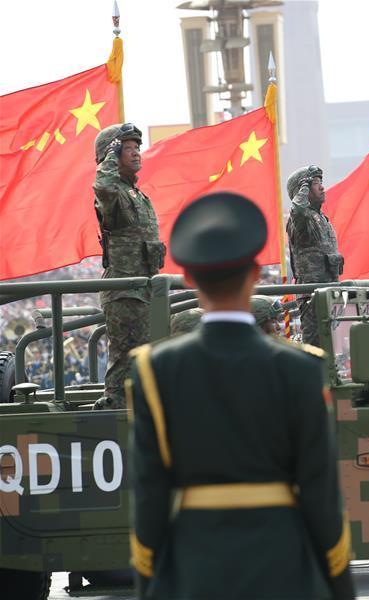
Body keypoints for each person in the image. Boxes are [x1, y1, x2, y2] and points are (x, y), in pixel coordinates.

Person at [127, 192, 354, 600]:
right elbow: (321, 496)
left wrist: (151, 586)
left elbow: (149, 499)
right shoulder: (301, 368)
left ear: (190, 278)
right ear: (255, 273)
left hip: (194, 573)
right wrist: (339, 588)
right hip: (283, 572)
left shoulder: (155, 370)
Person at [92, 123, 166, 410]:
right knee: (125, 363)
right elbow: (103, 185)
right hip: (124, 293)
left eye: (138, 147)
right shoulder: (114, 194)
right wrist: (110, 156)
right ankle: (115, 418)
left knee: (144, 361)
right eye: (128, 148)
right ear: (111, 154)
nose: (136, 153)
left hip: (144, 290)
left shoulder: (136, 194)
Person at [285, 165, 343, 347]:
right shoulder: (301, 219)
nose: (322, 187)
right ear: (302, 190)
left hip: (330, 292)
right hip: (312, 296)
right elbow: (298, 210)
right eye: (316, 183)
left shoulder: (322, 219)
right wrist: (303, 187)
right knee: (315, 347)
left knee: (336, 348)